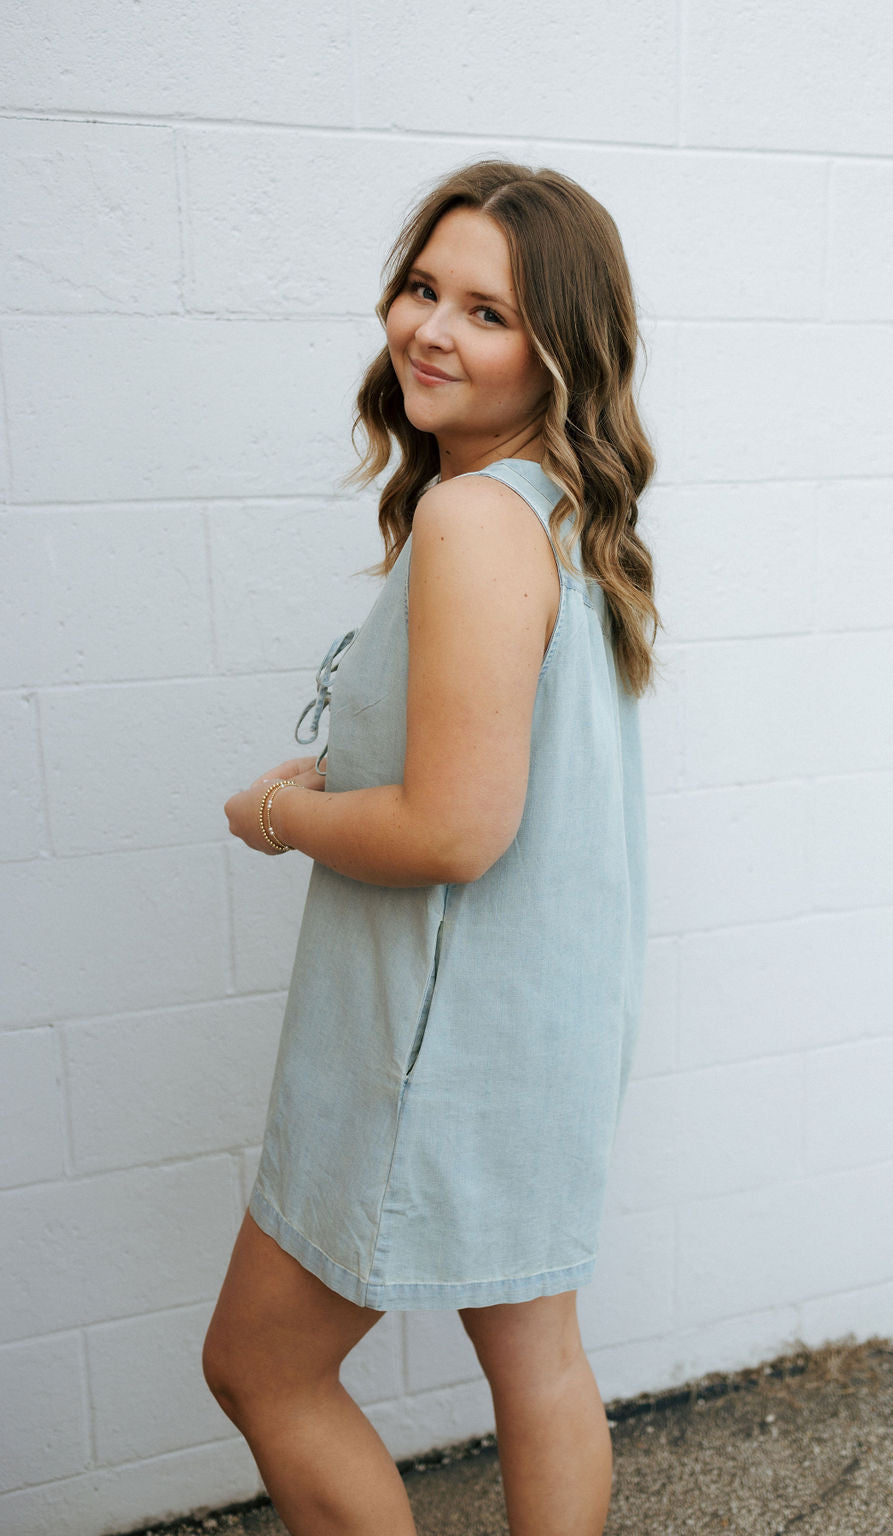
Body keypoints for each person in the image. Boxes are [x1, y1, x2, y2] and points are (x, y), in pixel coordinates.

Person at [204, 159, 658, 1536]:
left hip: (436, 1035)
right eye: (422, 289)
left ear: (559, 349)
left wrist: (277, 817)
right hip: (538, 1022)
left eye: (488, 312)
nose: (433, 331)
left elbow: (457, 826)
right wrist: (347, 774)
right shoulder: (561, 510)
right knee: (538, 1358)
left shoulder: (472, 518)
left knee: (262, 1366)